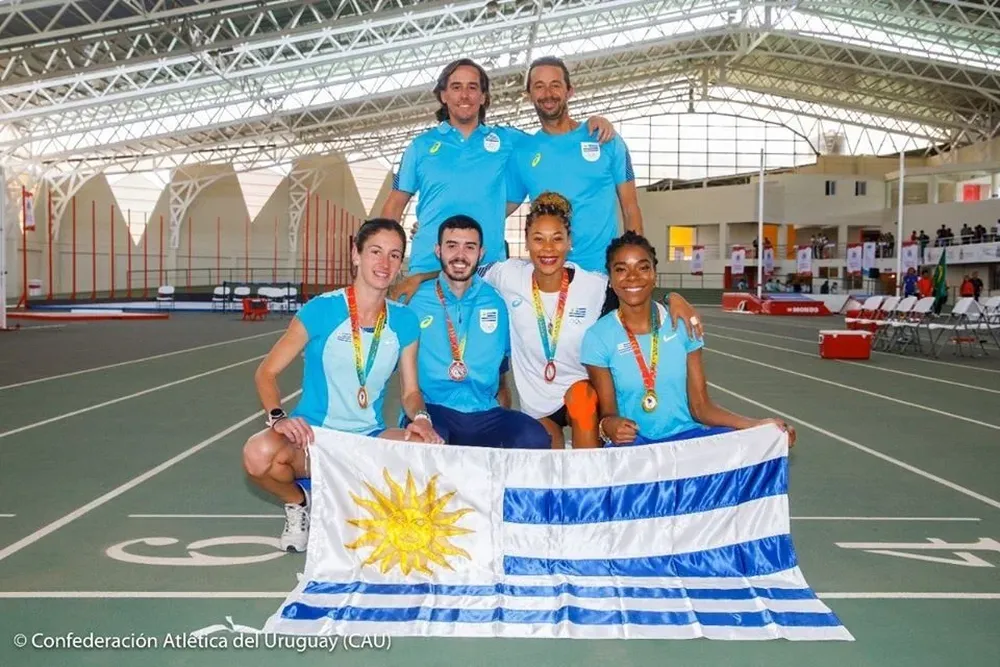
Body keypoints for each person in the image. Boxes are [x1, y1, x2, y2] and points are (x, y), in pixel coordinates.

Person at [393, 192, 704, 449]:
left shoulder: (593, 285)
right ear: (526, 242)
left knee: (582, 401)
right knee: (544, 449)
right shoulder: (507, 275)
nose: (548, 248)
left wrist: (670, 298)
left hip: (580, 393)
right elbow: (460, 267)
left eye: (557, 239)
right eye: (538, 239)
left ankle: (589, 481)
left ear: (570, 242)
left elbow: (633, 288)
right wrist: (419, 277)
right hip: (537, 405)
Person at [242, 219, 443, 553]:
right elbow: (266, 373)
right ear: (356, 254)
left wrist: (421, 418)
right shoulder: (321, 310)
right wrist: (279, 417)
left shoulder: (405, 321)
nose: (384, 264)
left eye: (394, 255)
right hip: (314, 440)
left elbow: (410, 392)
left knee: (430, 449)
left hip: (367, 439)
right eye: (375, 252)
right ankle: (298, 502)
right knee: (257, 453)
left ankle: (371, 511)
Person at [381, 58, 614, 274]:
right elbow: (394, 206)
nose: (465, 95)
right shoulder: (420, 146)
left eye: (473, 87)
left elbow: (554, 139)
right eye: (456, 87)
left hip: (488, 268)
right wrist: (389, 255)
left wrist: (589, 125)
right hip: (428, 267)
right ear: (443, 95)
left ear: (483, 96)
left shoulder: (508, 141)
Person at [582, 231, 795, 448]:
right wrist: (610, 425)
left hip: (685, 442)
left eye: (643, 267)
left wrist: (755, 425)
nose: (633, 276)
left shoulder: (684, 325)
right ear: (610, 278)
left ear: (655, 274)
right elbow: (607, 413)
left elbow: (701, 407)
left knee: (744, 446)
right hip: (634, 446)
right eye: (621, 269)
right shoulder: (598, 337)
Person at [404, 214, 551, 449]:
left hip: (484, 413)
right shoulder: (415, 301)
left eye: (469, 247)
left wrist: (502, 409)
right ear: (438, 250)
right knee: (426, 443)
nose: (460, 255)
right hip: (432, 410)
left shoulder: (496, 301)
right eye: (452, 246)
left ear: (481, 253)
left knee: (534, 437)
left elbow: (502, 373)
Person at [506, 56, 643, 275]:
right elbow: (502, 208)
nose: (548, 93)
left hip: (603, 275)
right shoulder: (523, 153)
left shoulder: (606, 139)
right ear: (529, 95)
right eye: (539, 86)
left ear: (570, 91)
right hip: (551, 278)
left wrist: (634, 265)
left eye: (555, 85)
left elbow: (631, 208)